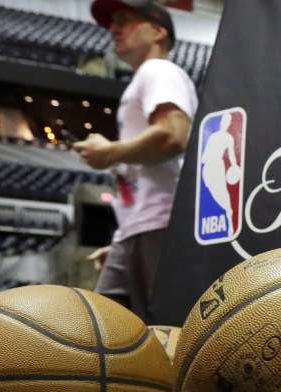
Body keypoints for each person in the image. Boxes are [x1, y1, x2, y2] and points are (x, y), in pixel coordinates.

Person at [75, 0, 198, 319]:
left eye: (124, 20)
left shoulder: (159, 70)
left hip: (160, 224)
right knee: (108, 330)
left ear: (157, 31)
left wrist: (108, 152)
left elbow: (173, 135)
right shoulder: (144, 79)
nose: (113, 29)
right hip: (137, 230)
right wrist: (124, 241)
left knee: (155, 334)